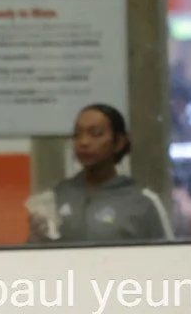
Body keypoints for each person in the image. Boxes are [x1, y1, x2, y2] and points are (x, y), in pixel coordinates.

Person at [27, 104, 172, 244]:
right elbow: (35, 254)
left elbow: (168, 255)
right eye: (77, 135)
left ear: (119, 142)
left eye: (96, 134)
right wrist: (36, 237)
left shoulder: (143, 201)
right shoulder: (56, 196)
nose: (83, 142)